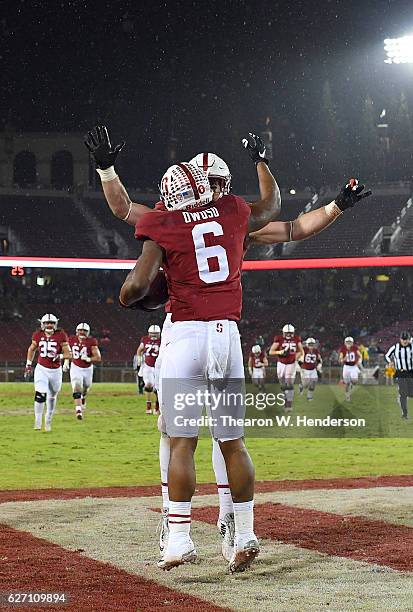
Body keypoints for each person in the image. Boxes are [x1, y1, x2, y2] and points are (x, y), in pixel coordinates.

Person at [119, 133, 281, 573]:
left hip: (186, 334)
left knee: (181, 443)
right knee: (232, 442)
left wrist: (129, 296)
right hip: (227, 336)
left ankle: (179, 539)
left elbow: (134, 287)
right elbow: (271, 207)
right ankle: (245, 532)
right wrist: (262, 162)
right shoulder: (230, 212)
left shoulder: (164, 223)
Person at [24, 314, 70, 432]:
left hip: (55, 371)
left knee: (52, 396)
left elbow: (68, 354)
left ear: (56, 324)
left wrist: (59, 356)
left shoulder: (61, 335)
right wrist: (28, 364)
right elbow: (31, 349)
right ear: (42, 324)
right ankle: (37, 421)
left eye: (52, 323)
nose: (49, 325)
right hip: (42, 368)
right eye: (47, 323)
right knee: (40, 393)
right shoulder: (38, 335)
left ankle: (48, 420)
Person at [68, 323, 101, 420]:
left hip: (87, 368)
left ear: (88, 332)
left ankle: (83, 397)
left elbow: (98, 357)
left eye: (84, 331)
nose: (82, 332)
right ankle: (78, 410)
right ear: (76, 331)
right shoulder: (71, 339)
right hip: (75, 367)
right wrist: (66, 361)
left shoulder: (92, 341)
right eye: (80, 330)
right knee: (77, 386)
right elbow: (66, 351)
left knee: (86, 387)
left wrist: (89, 359)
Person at [269, 324, 304, 412]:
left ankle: (289, 403)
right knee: (282, 383)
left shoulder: (296, 339)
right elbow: (271, 352)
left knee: (289, 382)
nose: (288, 335)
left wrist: (295, 358)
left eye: (290, 333)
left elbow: (301, 351)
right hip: (281, 363)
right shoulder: (279, 339)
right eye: (287, 333)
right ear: (283, 333)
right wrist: (280, 352)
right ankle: (285, 399)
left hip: (291, 364)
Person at [385, 331, 413, 419]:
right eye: (403, 339)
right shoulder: (395, 347)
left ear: (409, 339)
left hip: (411, 372)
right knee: (403, 394)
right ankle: (404, 414)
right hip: (401, 373)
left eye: (407, 340)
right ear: (400, 339)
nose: (405, 341)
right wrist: (391, 362)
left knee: (410, 393)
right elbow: (387, 356)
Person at [136, 324, 161, 414]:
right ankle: (148, 405)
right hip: (148, 366)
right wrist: (139, 360)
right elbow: (139, 350)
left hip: (159, 367)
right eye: (152, 334)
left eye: (156, 334)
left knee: (158, 387)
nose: (153, 336)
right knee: (149, 385)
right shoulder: (145, 339)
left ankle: (157, 405)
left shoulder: (163, 340)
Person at [339, 336, 362, 402]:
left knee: (354, 381)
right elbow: (340, 360)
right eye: (347, 342)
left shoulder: (355, 348)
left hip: (354, 366)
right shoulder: (343, 349)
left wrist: (359, 360)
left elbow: (360, 355)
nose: (348, 343)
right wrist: (344, 359)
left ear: (352, 343)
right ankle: (347, 396)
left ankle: (351, 385)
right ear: (345, 343)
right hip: (346, 367)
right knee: (347, 383)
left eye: (350, 342)